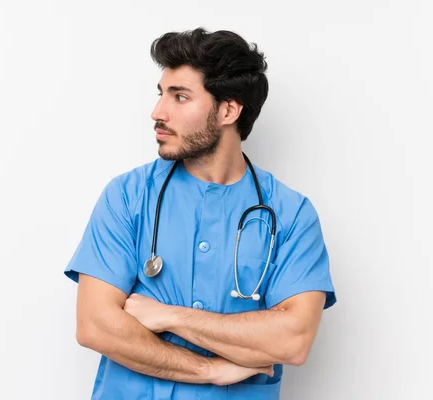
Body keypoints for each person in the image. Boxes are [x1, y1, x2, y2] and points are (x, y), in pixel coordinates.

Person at [64, 27, 336, 400]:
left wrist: (169, 316)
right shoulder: (127, 197)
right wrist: (210, 369)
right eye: (162, 95)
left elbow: (292, 339)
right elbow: (96, 325)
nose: (158, 112)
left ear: (228, 109)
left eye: (180, 97)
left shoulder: (290, 215)